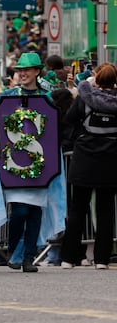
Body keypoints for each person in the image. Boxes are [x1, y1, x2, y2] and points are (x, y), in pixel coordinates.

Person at [0, 52, 57, 272]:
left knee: (34, 213)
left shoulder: (47, 97)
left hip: (40, 164)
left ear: (37, 72)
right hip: (16, 163)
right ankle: (14, 251)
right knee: (20, 211)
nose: (22, 73)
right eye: (19, 70)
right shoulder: (9, 95)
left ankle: (28, 257)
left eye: (27, 70)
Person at [60, 63, 117, 270]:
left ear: (96, 77)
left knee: (78, 208)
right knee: (105, 209)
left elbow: (70, 119)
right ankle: (102, 259)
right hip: (111, 160)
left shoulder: (86, 98)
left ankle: (68, 257)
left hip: (85, 158)